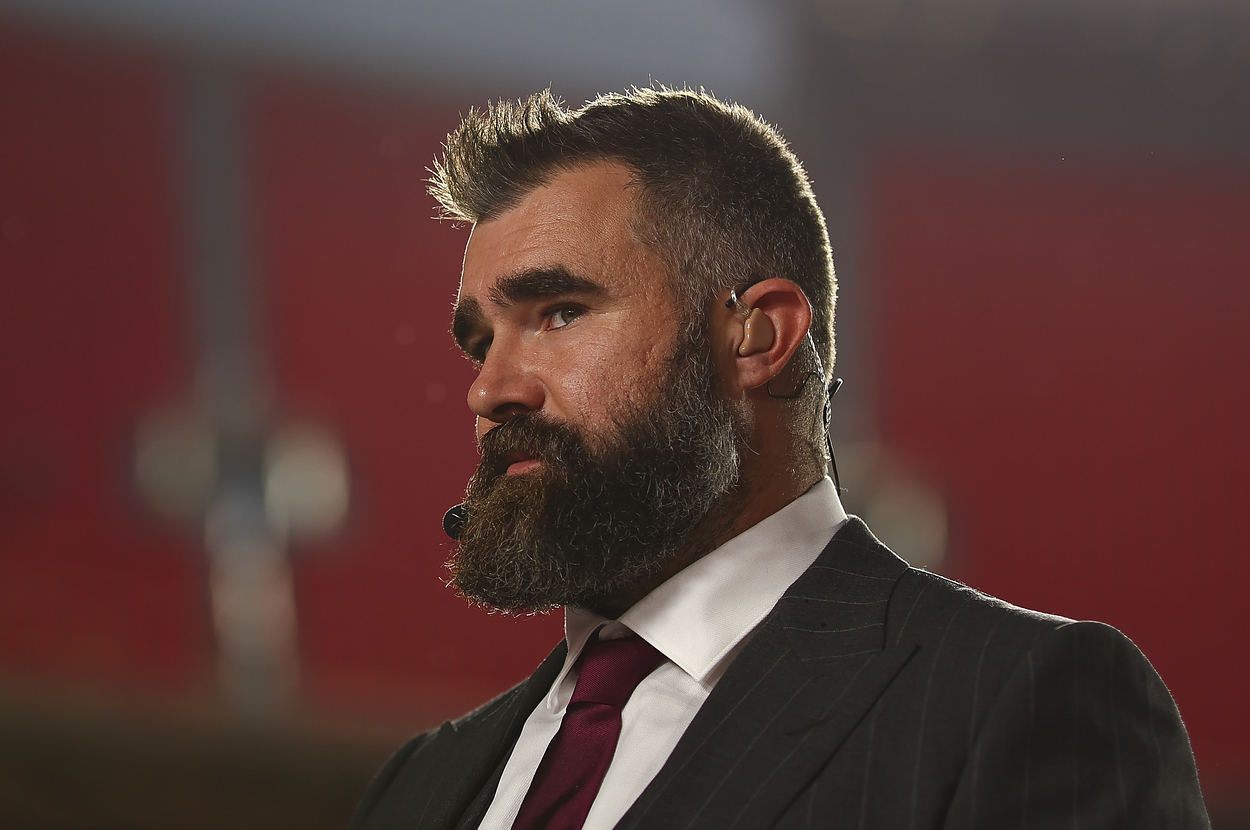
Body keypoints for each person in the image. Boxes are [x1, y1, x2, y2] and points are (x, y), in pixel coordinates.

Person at [351, 88, 1209, 829]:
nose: (490, 389)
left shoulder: (1018, 700)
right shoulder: (419, 786)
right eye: (479, 343)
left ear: (759, 334)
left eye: (560, 311)